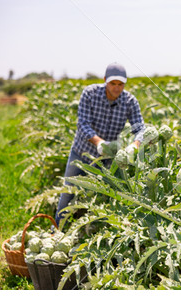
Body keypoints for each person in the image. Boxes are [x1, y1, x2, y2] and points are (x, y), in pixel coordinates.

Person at [55, 62, 145, 226]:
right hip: (81, 153)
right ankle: (56, 229)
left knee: (99, 200)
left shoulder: (130, 101)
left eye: (120, 84)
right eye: (113, 83)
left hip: (106, 161)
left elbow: (140, 128)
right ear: (105, 80)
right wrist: (99, 143)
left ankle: (85, 234)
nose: (117, 88)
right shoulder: (90, 94)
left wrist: (135, 145)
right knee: (68, 192)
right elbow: (82, 124)